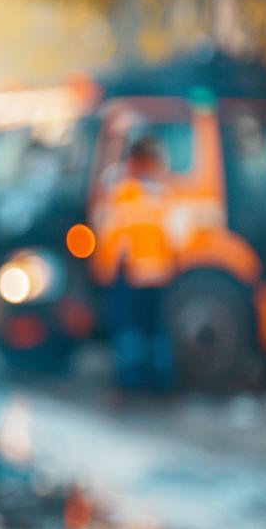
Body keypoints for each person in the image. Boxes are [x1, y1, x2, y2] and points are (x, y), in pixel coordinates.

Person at [90, 134, 178, 391]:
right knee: (154, 328)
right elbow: (175, 234)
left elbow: (111, 232)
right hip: (158, 273)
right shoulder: (164, 193)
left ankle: (131, 379)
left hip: (130, 272)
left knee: (130, 328)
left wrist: (104, 268)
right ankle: (159, 380)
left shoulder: (123, 192)